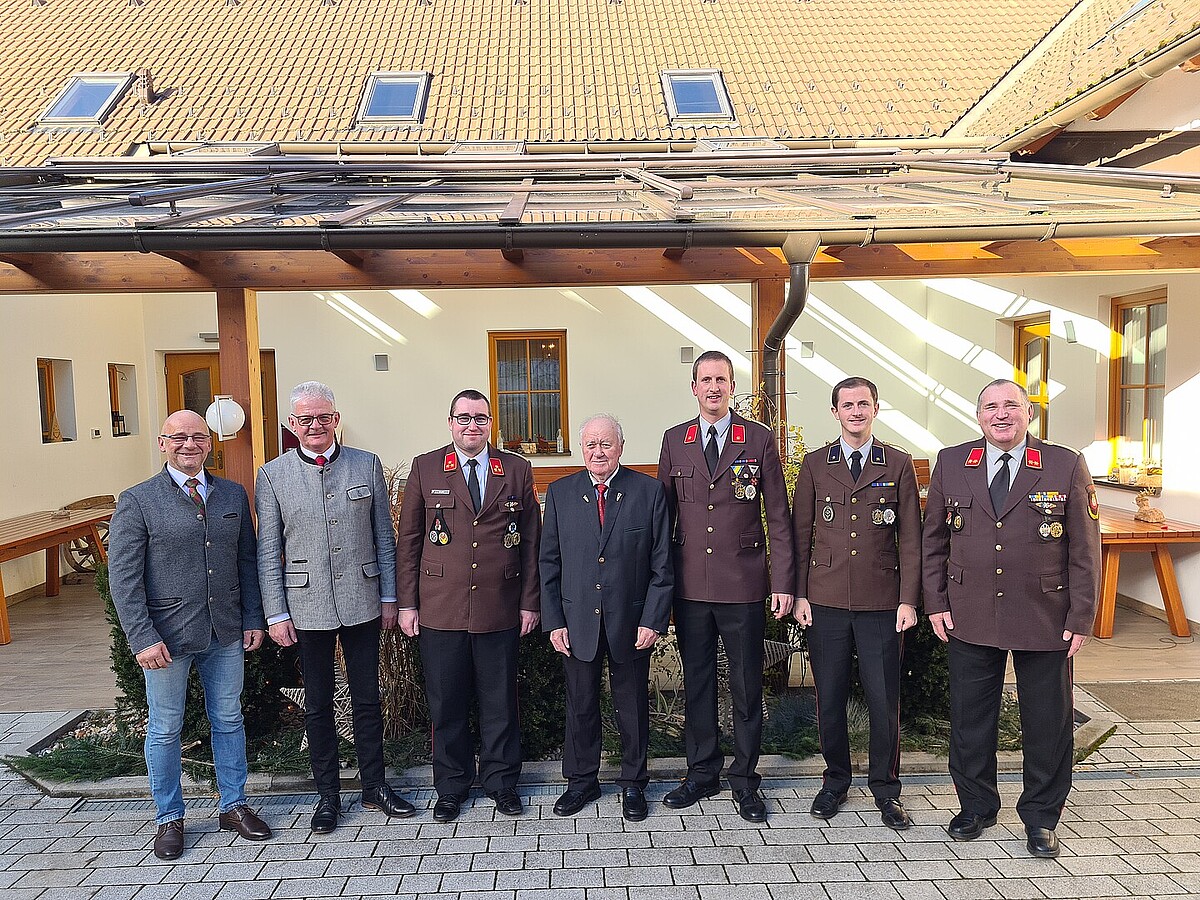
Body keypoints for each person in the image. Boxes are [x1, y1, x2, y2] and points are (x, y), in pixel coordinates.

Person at [923, 378, 1100, 859]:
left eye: (1012, 406)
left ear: (1029, 413)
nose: (1001, 415)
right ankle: (976, 807)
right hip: (970, 612)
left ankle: (1042, 818)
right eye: (991, 407)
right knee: (970, 718)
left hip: (1045, 614)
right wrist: (936, 602)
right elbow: (934, 541)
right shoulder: (953, 462)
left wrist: (1081, 614)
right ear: (978, 416)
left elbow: (1085, 548)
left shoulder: (1064, 464)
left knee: (1047, 721)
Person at [109, 410, 271, 861]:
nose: (189, 444)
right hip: (166, 637)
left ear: (209, 443)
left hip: (224, 632)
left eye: (197, 437)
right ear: (162, 443)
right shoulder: (138, 500)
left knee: (230, 719)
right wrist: (141, 637)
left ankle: (233, 806)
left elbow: (246, 563)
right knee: (165, 729)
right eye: (178, 437)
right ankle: (169, 818)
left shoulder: (232, 494)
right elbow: (124, 578)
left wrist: (254, 617)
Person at [256, 381, 415, 833]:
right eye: (305, 419)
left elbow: (385, 537)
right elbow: (269, 551)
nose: (315, 426)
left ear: (336, 418)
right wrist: (276, 613)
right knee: (318, 705)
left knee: (368, 698)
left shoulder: (366, 465)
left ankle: (375, 787)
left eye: (323, 417)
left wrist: (389, 597)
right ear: (292, 424)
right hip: (306, 608)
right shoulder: (273, 475)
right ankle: (327, 796)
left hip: (363, 601)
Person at [657, 350, 795, 823]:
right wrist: (663, 585)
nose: (713, 387)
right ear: (693, 387)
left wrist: (782, 582)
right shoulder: (675, 440)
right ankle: (701, 773)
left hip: (744, 586)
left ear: (732, 387)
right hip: (692, 587)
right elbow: (664, 520)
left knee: (745, 685)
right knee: (697, 685)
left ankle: (744, 779)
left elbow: (778, 515)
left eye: (721, 379)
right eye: (705, 379)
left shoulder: (757, 439)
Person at [395, 389, 541, 822]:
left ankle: (502, 783)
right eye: (463, 418)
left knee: (500, 702)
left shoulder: (515, 468)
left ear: (491, 422)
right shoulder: (425, 467)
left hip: (500, 606)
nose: (471, 425)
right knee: (447, 704)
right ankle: (451, 787)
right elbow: (409, 543)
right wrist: (408, 604)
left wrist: (530, 602)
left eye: (480, 418)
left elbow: (532, 543)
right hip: (440, 608)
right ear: (450, 422)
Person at [791, 377, 921, 829]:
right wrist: (800, 594)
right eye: (847, 405)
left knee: (884, 698)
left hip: (882, 602)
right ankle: (835, 781)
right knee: (829, 695)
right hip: (824, 600)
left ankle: (886, 789)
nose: (856, 411)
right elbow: (798, 534)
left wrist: (909, 600)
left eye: (863, 403)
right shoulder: (813, 465)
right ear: (835, 413)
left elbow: (911, 539)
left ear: (876, 408)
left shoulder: (900, 464)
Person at [540, 414, 674, 821]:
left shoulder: (648, 492)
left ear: (621, 446)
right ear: (583, 450)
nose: (599, 452)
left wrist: (653, 620)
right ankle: (581, 782)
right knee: (580, 705)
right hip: (576, 622)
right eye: (591, 445)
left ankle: (633, 784)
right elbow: (549, 563)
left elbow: (662, 566)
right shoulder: (561, 493)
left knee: (631, 706)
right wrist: (554, 621)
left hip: (631, 626)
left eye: (607, 444)